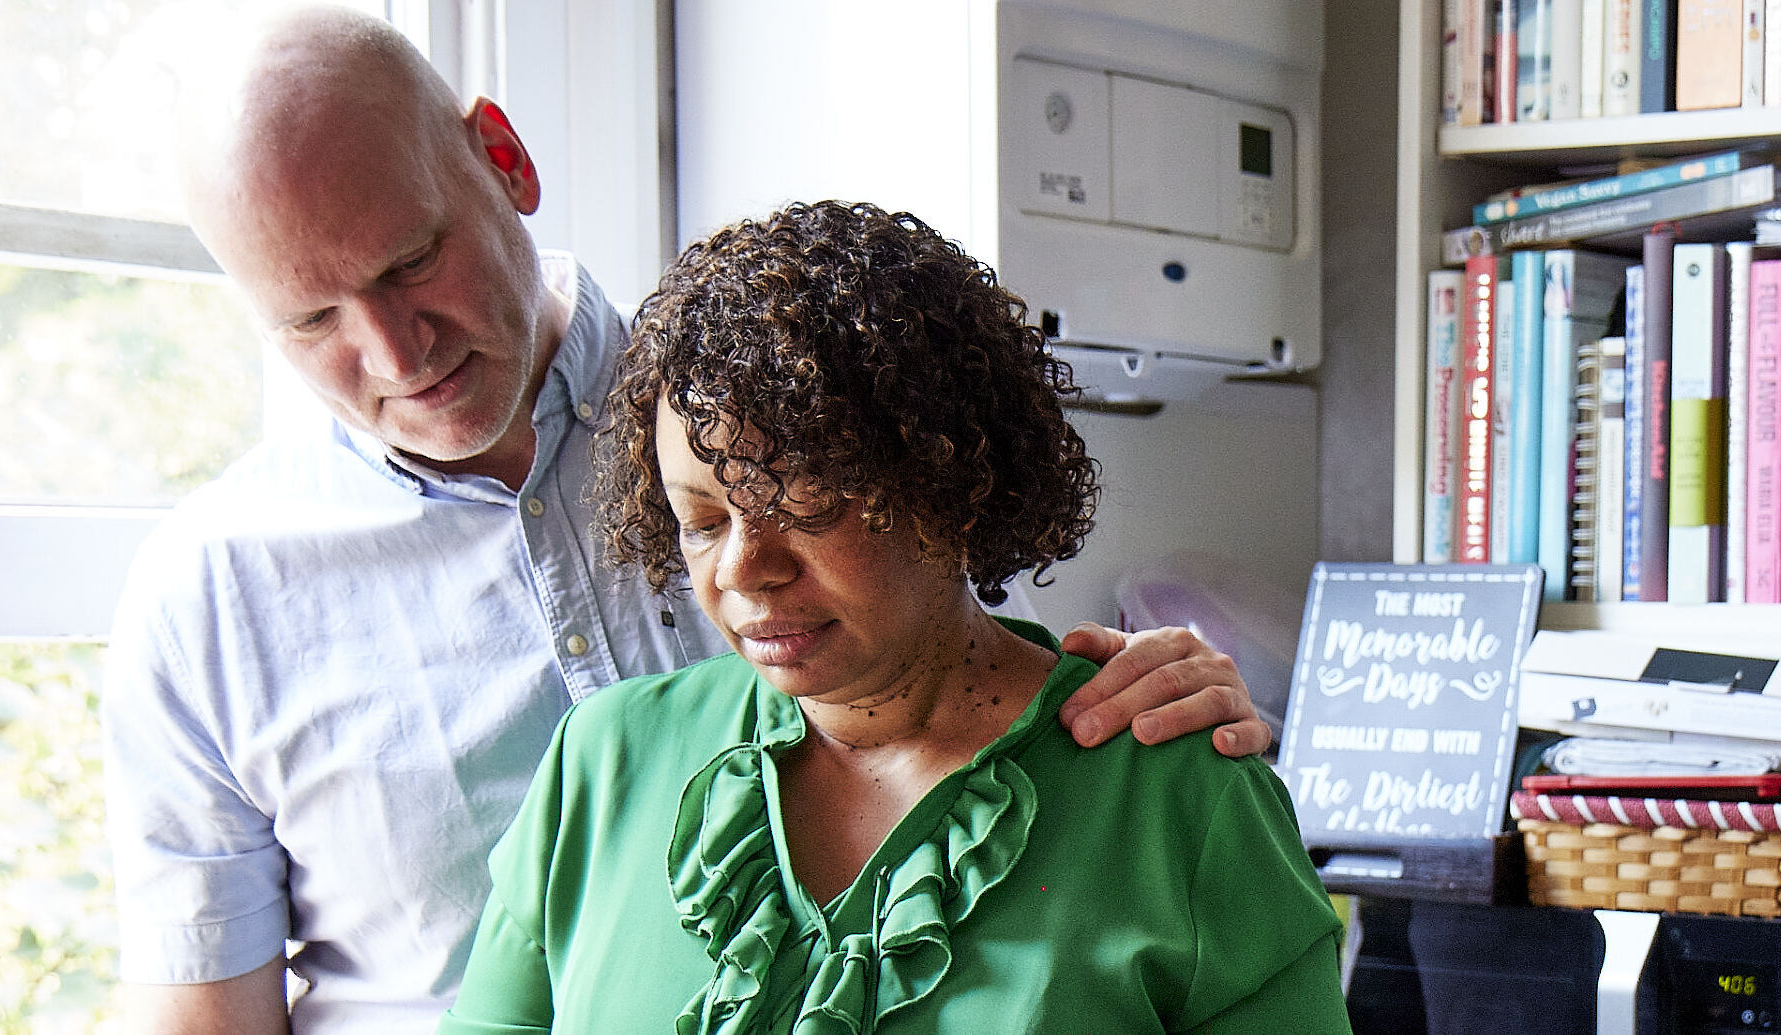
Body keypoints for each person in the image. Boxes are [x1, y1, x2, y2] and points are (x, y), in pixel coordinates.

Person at [111, 10, 1276, 1033]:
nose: (394, 352)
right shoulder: (206, 597)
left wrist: (1147, 704)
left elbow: (957, 661)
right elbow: (204, 1014)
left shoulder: (764, 386)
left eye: (415, 262)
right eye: (311, 319)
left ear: (505, 160)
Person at [438, 200, 1347, 1035]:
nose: (746, 569)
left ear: (951, 485)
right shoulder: (601, 767)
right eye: (703, 522)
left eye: (805, 505)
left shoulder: (1177, 799)